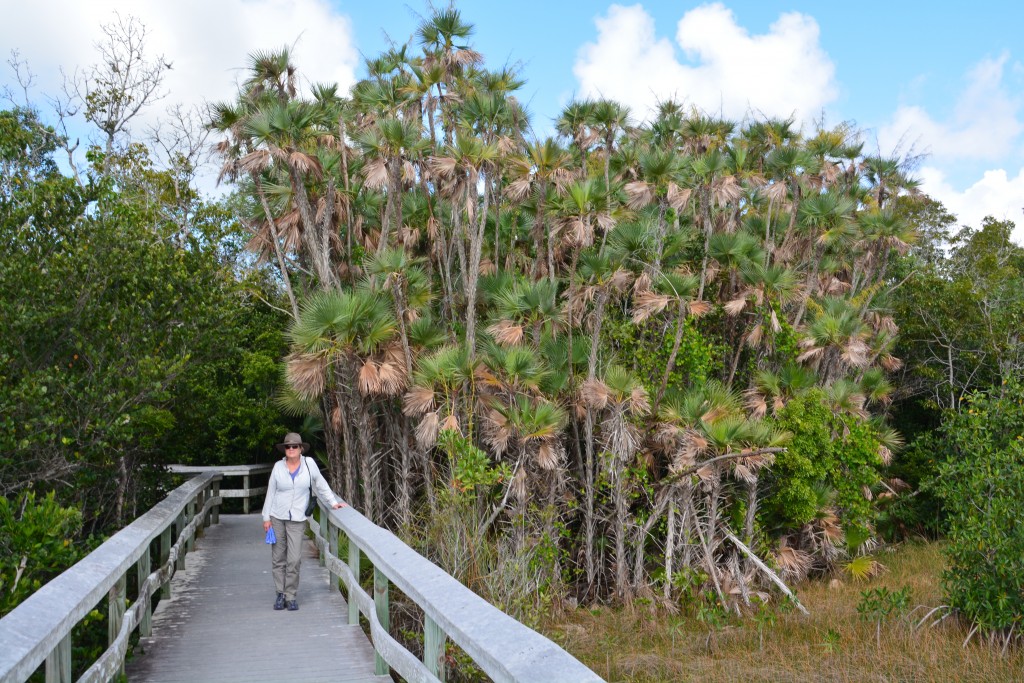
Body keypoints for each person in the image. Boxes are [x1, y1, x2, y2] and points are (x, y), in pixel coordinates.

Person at [261, 432, 346, 611]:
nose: (291, 449)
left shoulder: (309, 464)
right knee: (278, 558)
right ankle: (280, 594)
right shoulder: (278, 467)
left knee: (294, 559)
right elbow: (271, 492)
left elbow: (321, 484)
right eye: (288, 447)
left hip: (298, 518)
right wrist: (266, 517)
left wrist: (333, 503)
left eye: (294, 446)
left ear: (301, 449)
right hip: (277, 516)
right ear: (284, 449)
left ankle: (291, 595)